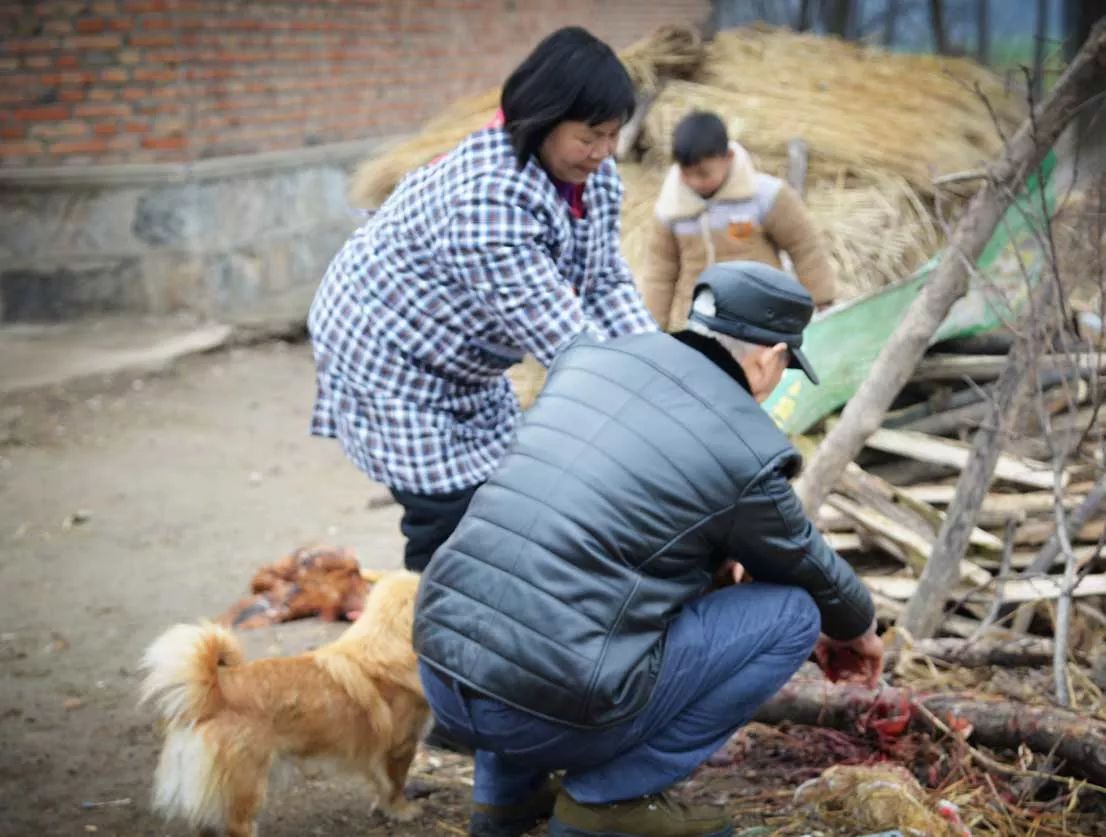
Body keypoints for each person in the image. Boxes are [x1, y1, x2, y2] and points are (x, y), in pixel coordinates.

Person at [414, 260, 882, 837]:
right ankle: (608, 803)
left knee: (532, 583)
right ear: (768, 357)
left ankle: (504, 800)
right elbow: (807, 566)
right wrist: (857, 625)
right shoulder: (743, 446)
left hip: (442, 671)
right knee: (793, 615)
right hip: (545, 711)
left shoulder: (592, 364)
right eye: (786, 366)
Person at [308, 27, 656, 573]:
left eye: (613, 136)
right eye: (591, 136)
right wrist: (651, 412)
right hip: (389, 350)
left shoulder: (593, 177)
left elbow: (605, 282)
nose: (604, 152)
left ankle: (468, 619)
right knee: (448, 518)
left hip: (460, 357)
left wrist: (657, 364)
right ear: (544, 116)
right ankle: (434, 631)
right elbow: (570, 346)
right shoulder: (487, 199)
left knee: (500, 492)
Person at [642, 110, 836, 332]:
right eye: (686, 174)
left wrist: (821, 299)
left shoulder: (765, 196)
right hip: (699, 322)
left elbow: (804, 246)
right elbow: (660, 274)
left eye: (704, 174)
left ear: (728, 158)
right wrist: (652, 328)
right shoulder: (671, 212)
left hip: (762, 315)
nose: (694, 182)